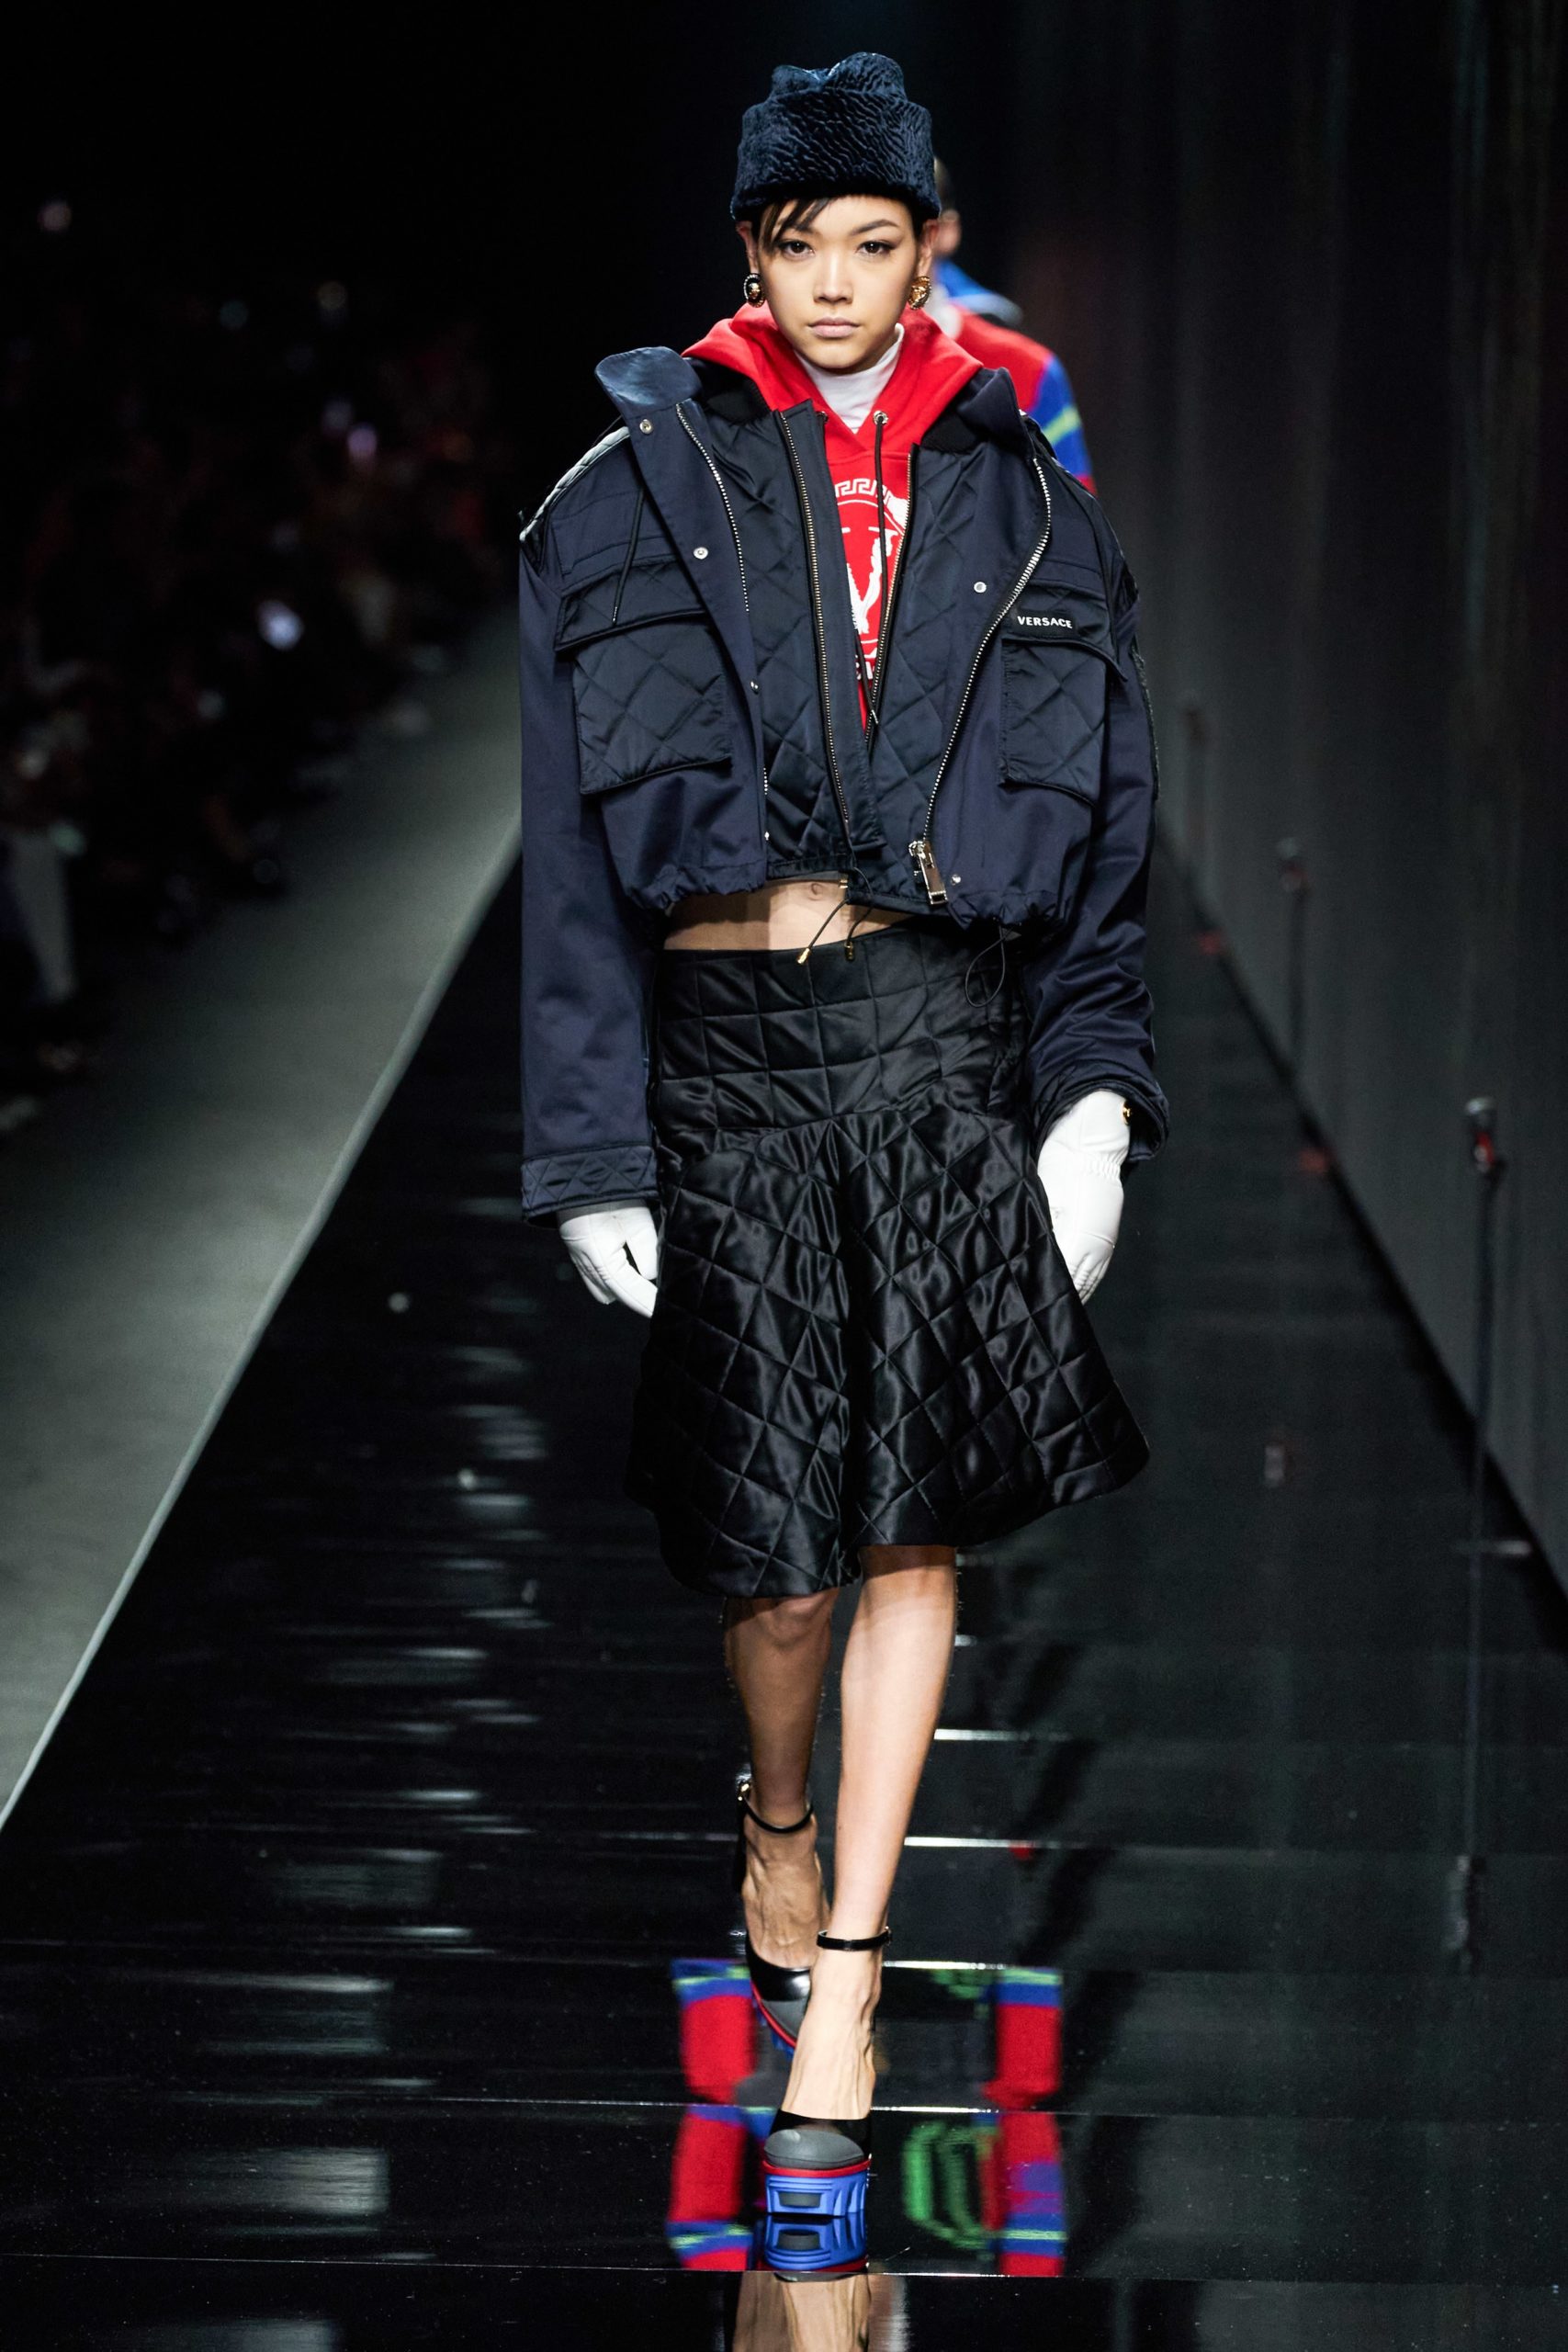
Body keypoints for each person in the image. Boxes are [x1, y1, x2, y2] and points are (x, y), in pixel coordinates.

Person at [517, 51, 1166, 2262]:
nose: (830, 282)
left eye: (868, 242)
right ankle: (775, 1813)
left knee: (906, 1523)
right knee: (772, 1553)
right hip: (722, 1044)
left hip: (933, 1036)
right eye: (795, 243)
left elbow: (1103, 864)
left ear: (924, 247)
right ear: (749, 251)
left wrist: (1089, 1103)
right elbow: (562, 869)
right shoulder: (622, 495)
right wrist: (588, 1146)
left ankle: (852, 1980)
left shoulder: (1032, 509)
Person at [929, 161, 1098, 490]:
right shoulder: (814, 374)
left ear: (944, 233)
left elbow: (1071, 517)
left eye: (879, 243)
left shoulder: (1029, 371)